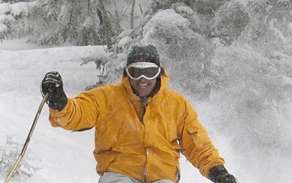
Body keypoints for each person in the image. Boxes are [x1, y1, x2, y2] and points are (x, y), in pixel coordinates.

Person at [41, 44, 238, 183]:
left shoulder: (176, 104)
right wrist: (59, 102)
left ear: (159, 73)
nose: (143, 79)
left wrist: (217, 172)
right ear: (127, 74)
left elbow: (198, 144)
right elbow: (77, 113)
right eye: (136, 72)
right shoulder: (108, 97)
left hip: (162, 176)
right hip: (119, 173)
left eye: (149, 72)